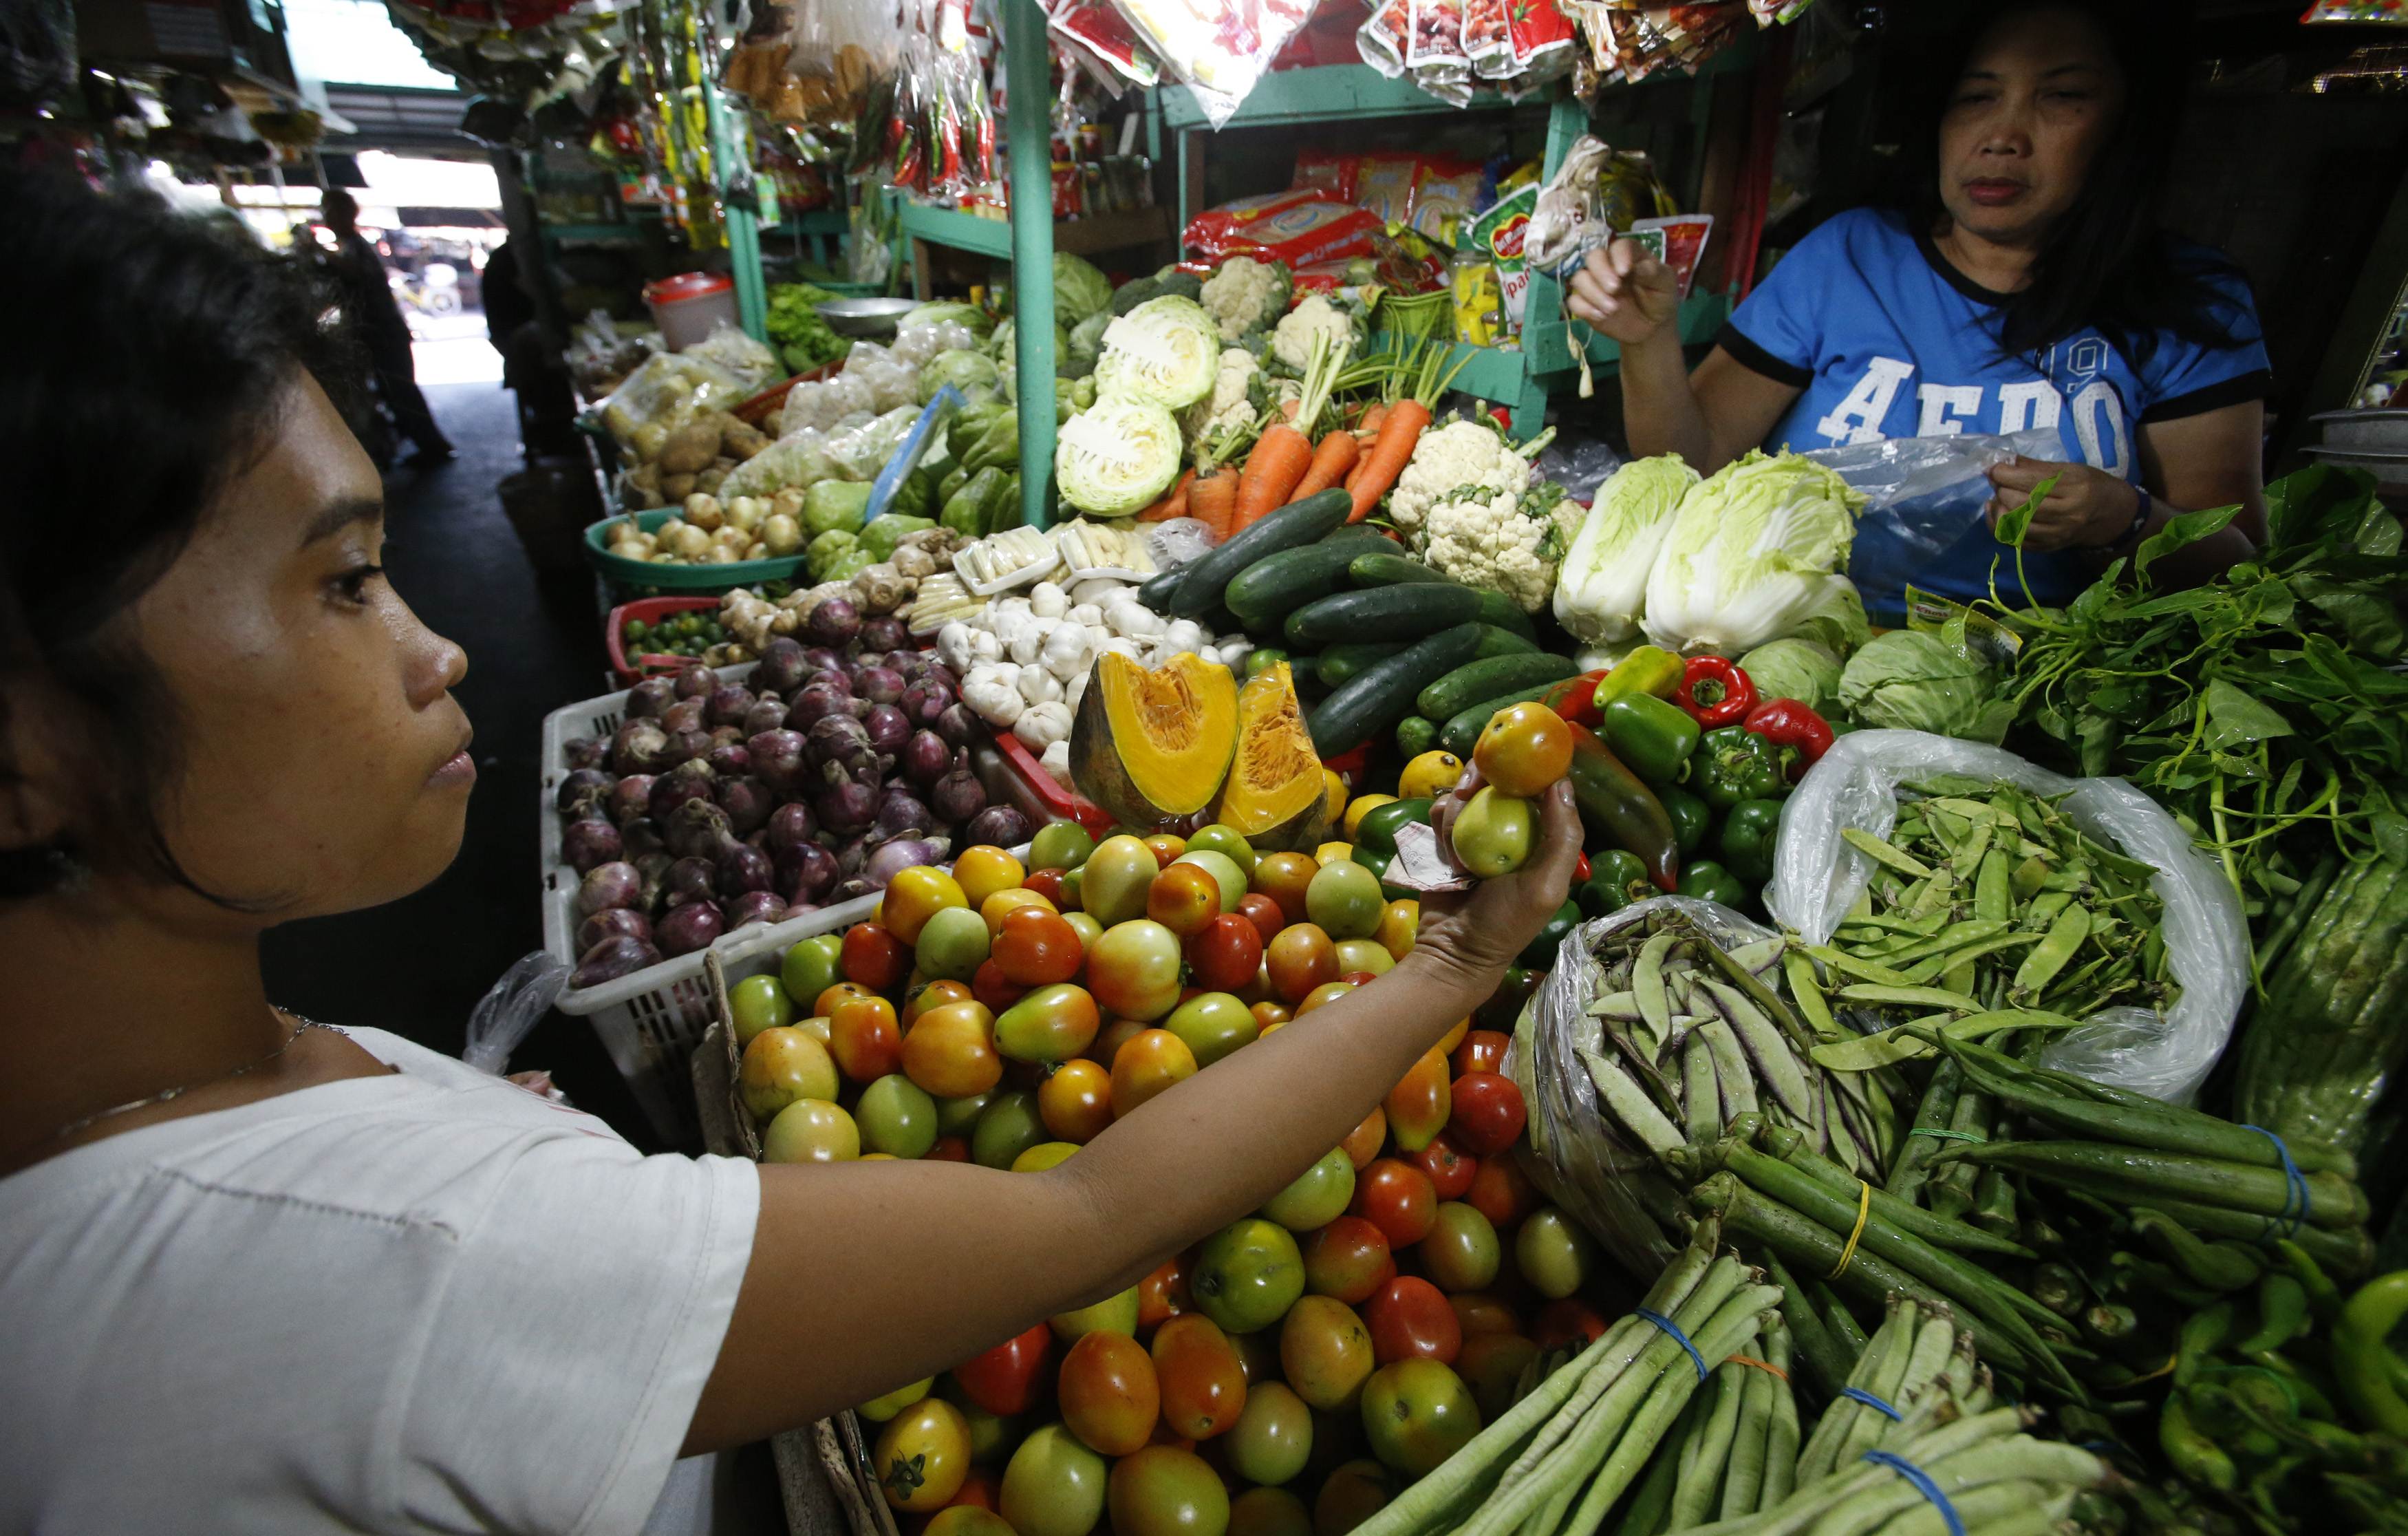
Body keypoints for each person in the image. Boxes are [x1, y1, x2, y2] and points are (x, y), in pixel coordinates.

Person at [0, 173, 1580, 1532]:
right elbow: (1088, 1217)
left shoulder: (171, 1100)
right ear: (26, 754)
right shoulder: (395, 1260)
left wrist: (483, 1116)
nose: (439, 650)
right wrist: (1458, 954)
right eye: (345, 582)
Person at [1569, 0, 2269, 620]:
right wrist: (1648, 342)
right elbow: (1691, 459)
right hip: (1799, 649)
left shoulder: (2190, 301)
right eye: (1976, 98)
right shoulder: (1848, 257)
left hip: (2049, 672)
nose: (2001, 137)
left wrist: (2123, 518)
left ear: (2126, 124)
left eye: (2060, 97)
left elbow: (2236, 562)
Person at [318, 186, 456, 467]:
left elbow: (354, 273)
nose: (327, 218)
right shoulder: (348, 247)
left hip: (385, 334)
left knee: (401, 391)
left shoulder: (355, 248)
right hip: (376, 335)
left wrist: (321, 255)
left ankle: (433, 447)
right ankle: (423, 444)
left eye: (331, 211)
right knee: (395, 392)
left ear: (346, 214)